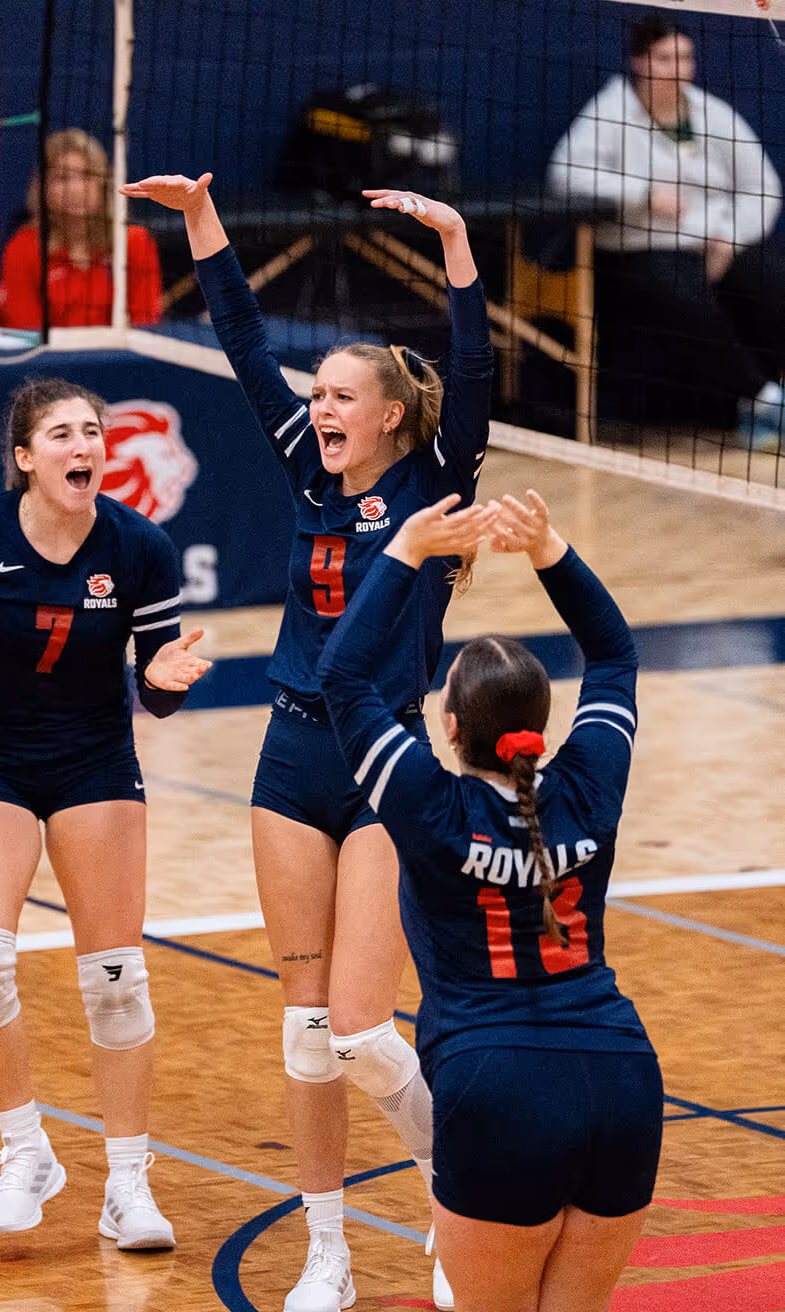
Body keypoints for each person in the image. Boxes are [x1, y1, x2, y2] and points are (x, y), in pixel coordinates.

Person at [122, 170, 493, 1312]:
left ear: (388, 412)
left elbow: (474, 374)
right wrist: (200, 222)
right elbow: (239, 341)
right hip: (288, 763)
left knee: (364, 1030)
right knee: (302, 1033)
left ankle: (457, 1195)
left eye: (340, 395)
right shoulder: (306, 469)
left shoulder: (435, 485)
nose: (320, 408)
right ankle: (328, 1249)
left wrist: (457, 245)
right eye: (316, 392)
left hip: (389, 767)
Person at [317, 489, 662, 1312]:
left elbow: (341, 676)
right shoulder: (588, 788)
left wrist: (404, 547)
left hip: (495, 1087)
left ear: (447, 727)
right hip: (622, 1077)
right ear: (542, 727)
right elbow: (614, 658)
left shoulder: (430, 808)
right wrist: (549, 549)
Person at [0, 376, 210, 1241]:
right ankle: (27, 1147)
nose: (84, 448)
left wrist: (162, 681)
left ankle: (127, 1187)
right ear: (26, 459)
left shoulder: (139, 545)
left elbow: (157, 695)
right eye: (63, 436)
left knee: (116, 983)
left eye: (93, 433)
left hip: (93, 762)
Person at [547, 14, 785, 449]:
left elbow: (763, 186)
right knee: (683, 298)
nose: (679, 68)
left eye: (686, 57)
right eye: (665, 58)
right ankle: (768, 400)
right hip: (638, 250)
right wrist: (642, 193)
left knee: (772, 282)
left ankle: (755, 413)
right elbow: (566, 176)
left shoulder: (711, 111)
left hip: (713, 243)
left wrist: (730, 236)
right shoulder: (611, 110)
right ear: (640, 62)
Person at [0, 129, 161, 330]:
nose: (75, 189)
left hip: (120, 358)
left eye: (86, 176)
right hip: (50, 360)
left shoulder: (135, 242)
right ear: (43, 188)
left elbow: (144, 324)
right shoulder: (23, 246)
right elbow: (28, 330)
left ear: (103, 184)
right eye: (62, 178)